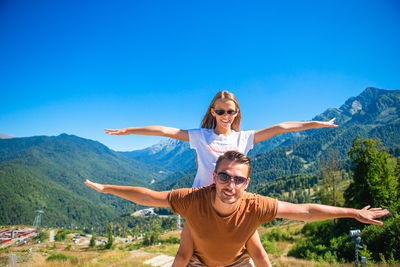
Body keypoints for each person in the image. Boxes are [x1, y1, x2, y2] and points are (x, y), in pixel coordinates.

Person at [104, 91, 338, 265]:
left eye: (231, 111)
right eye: (220, 111)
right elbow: (165, 130)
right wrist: (128, 131)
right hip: (200, 204)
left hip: (233, 202)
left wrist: (314, 124)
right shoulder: (200, 136)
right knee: (185, 254)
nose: (226, 116)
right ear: (212, 112)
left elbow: (282, 127)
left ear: (236, 113)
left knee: (258, 252)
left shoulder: (244, 137)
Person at [85, 151, 389, 267]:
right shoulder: (193, 198)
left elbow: (305, 211)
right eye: (224, 176)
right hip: (199, 263)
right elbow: (150, 196)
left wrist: (353, 212)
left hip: (238, 264)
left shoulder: (256, 205)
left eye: (238, 179)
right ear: (213, 177)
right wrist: (107, 188)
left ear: (246, 183)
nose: (230, 185)